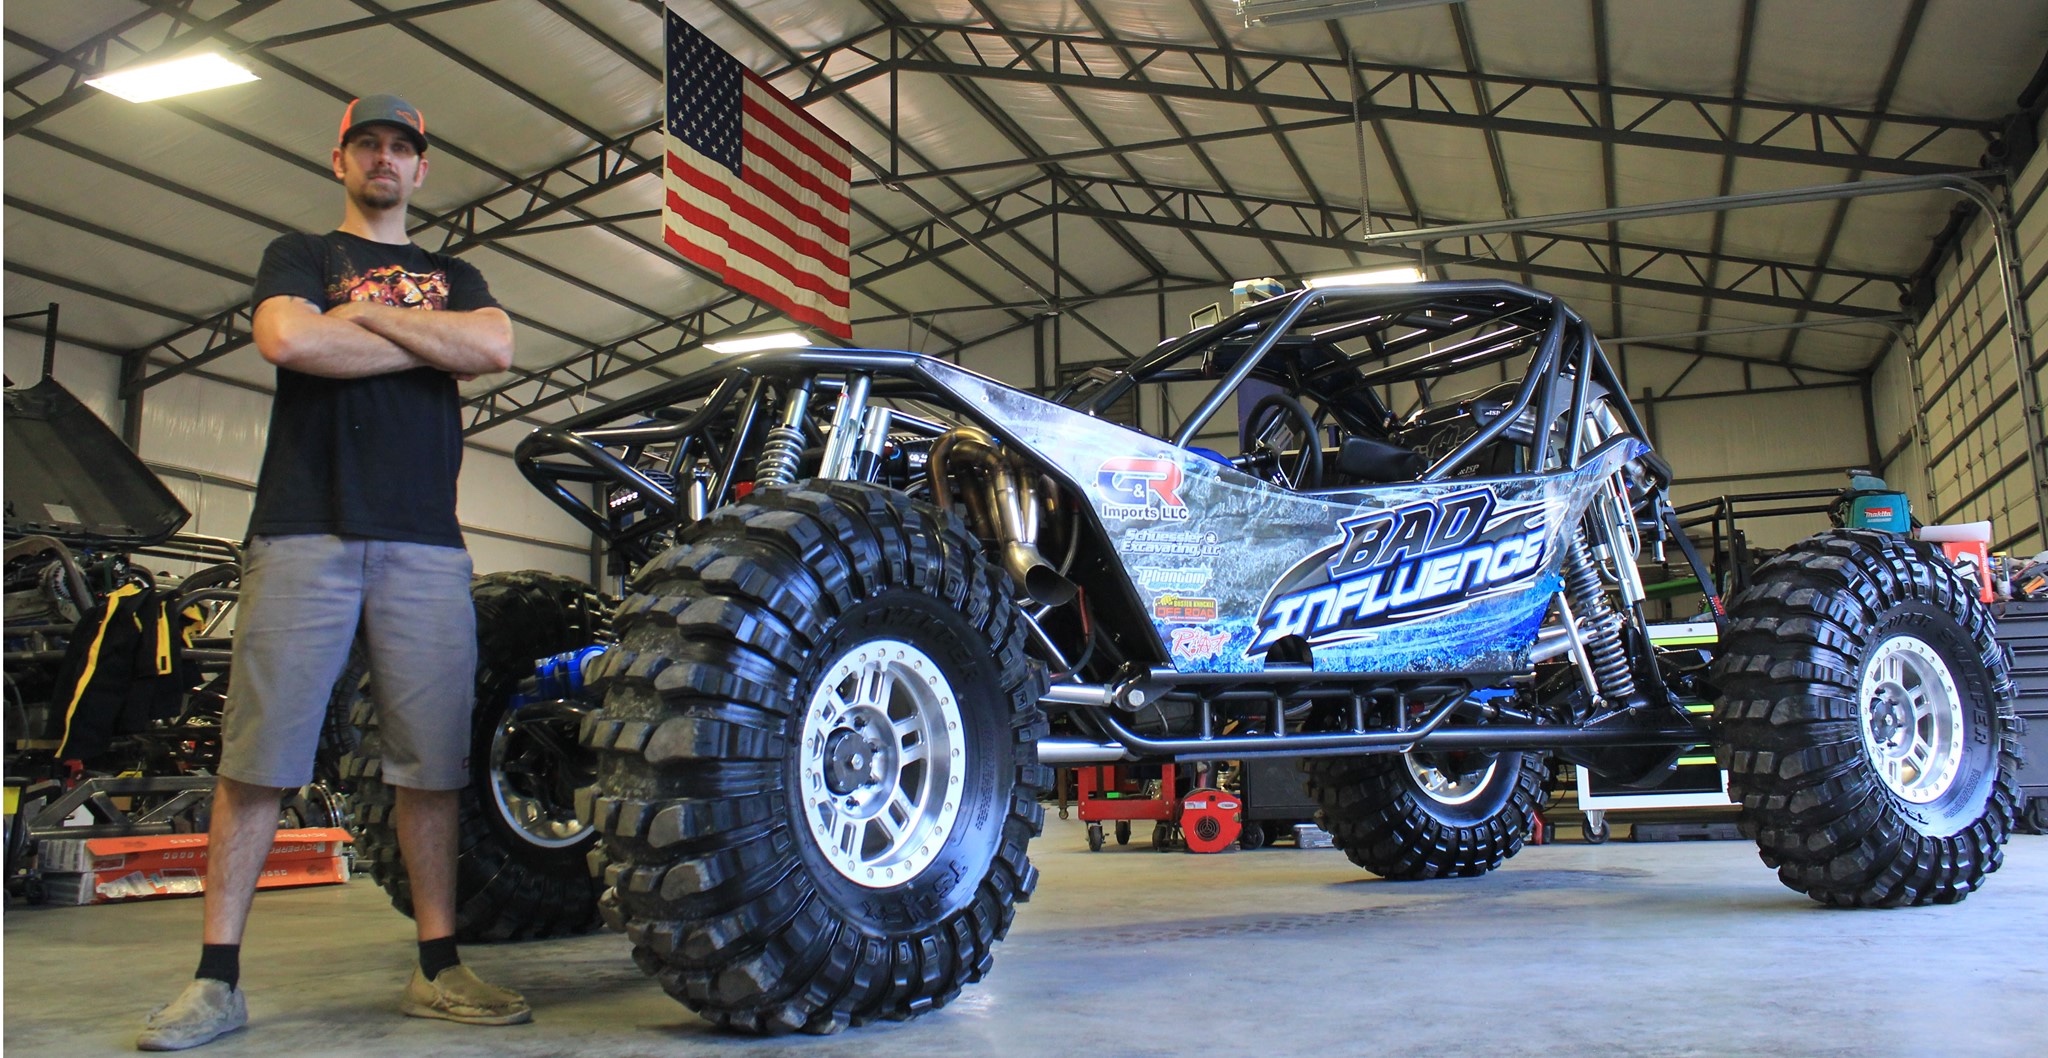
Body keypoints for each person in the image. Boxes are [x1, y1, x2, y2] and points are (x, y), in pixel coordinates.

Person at [137, 94, 518, 1052]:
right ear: (339, 160)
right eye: (368, 145)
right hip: (303, 530)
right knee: (258, 756)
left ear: (421, 169)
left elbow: (495, 347)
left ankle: (438, 966)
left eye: (402, 147)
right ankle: (215, 980)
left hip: (427, 542)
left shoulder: (452, 270)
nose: (385, 159)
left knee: (432, 762)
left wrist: (361, 318)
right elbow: (287, 340)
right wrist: (414, 337)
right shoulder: (298, 255)